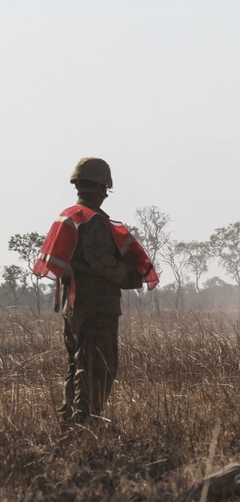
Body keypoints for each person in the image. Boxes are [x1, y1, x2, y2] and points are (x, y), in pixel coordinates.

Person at [33, 157, 158, 424]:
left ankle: (71, 420)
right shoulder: (93, 221)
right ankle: (85, 423)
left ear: (78, 185)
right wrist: (128, 277)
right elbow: (100, 260)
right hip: (95, 307)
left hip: (74, 304)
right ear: (102, 188)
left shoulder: (68, 216)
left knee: (78, 365)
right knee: (98, 367)